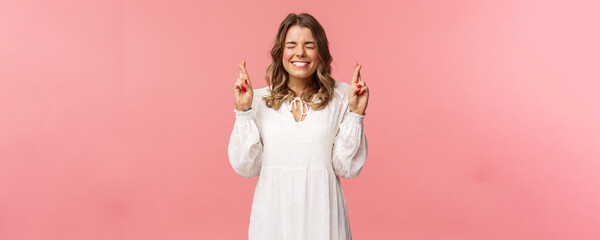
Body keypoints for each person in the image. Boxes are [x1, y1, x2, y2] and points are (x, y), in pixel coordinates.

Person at [228, 12, 369, 240]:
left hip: (323, 220)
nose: (300, 53)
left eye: (309, 45)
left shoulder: (342, 96)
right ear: (280, 52)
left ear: (320, 51)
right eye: (291, 45)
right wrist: (244, 112)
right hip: (273, 220)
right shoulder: (258, 100)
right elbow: (246, 166)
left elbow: (347, 168)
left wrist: (356, 114)